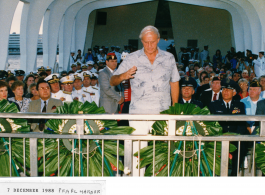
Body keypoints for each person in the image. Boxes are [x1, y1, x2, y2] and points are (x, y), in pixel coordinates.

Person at [110, 25, 180, 176]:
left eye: (153, 42)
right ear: (141, 41)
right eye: (146, 42)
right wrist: (123, 76)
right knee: (138, 154)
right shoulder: (132, 58)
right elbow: (112, 81)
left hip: (163, 114)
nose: (149, 46)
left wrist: (175, 107)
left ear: (158, 40)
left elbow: (174, 82)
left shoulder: (169, 58)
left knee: (163, 154)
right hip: (138, 114)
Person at [208, 78, 248, 176]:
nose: (226, 91)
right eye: (224, 89)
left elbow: (242, 123)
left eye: (229, 90)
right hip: (218, 137)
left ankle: (234, 174)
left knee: (241, 146)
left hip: (235, 137)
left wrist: (234, 136)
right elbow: (210, 124)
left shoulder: (239, 105)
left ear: (234, 93)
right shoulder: (213, 105)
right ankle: (217, 174)